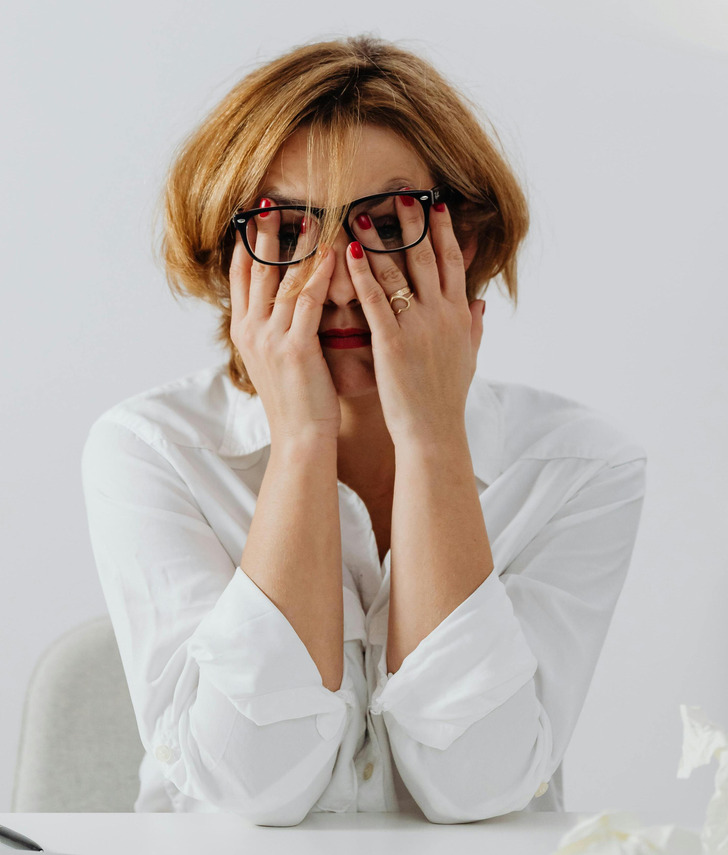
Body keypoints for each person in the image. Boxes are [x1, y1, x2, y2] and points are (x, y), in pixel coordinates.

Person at [81, 35, 647, 826]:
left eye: (385, 224)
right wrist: (302, 442)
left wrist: (432, 439)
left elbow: (478, 788)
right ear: (228, 253)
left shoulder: (577, 468)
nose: (343, 286)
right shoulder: (153, 451)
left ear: (465, 242)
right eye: (286, 230)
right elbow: (252, 789)